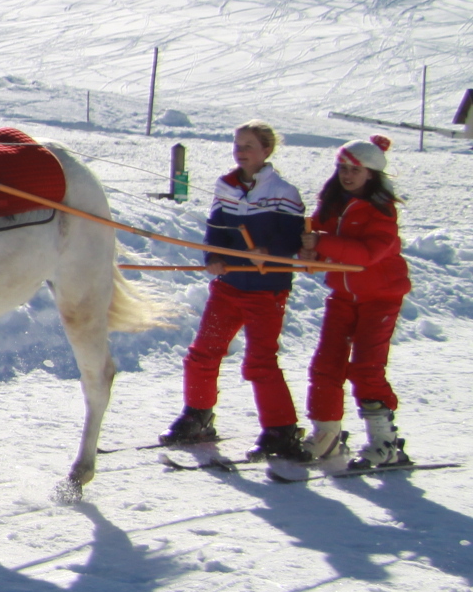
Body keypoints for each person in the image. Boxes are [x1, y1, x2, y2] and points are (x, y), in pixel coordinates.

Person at [162, 121, 309, 459]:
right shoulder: (226, 186)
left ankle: (281, 430)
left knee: (260, 361)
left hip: (266, 288)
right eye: (237, 145)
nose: (240, 152)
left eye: (248, 146)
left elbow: (291, 238)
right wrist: (213, 257)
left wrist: (268, 252)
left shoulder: (284, 191)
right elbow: (216, 231)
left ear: (266, 150)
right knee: (203, 352)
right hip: (228, 285)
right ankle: (198, 415)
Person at [306, 136, 414, 470]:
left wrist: (323, 242)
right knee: (326, 365)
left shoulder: (382, 212)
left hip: (380, 298)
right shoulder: (332, 205)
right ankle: (326, 435)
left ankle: (385, 443)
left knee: (366, 367)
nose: (347, 174)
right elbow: (315, 245)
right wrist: (306, 248)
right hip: (343, 297)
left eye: (355, 169)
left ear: (371, 173)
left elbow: (367, 255)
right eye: (342, 167)